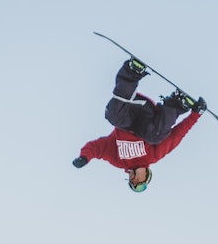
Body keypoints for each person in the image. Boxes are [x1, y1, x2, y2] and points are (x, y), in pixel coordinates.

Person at [72, 58, 206, 192]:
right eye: (140, 184)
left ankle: (132, 71)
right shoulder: (153, 156)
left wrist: (84, 157)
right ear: (147, 175)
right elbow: (176, 137)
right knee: (155, 137)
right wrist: (195, 115)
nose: (135, 181)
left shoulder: (119, 160)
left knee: (113, 117)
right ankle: (177, 103)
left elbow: (97, 148)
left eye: (132, 184)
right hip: (147, 119)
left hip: (126, 114)